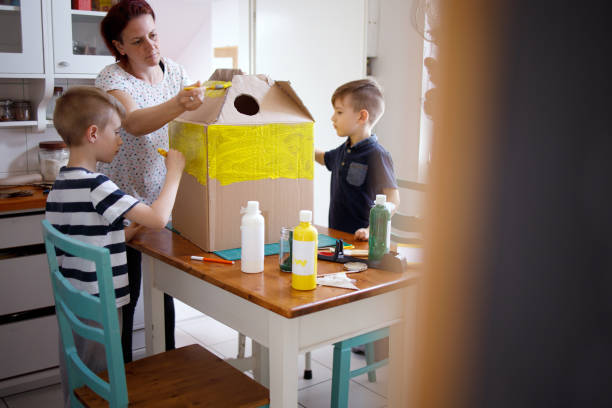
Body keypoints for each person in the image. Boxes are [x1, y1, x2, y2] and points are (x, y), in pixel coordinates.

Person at [46, 86, 185, 407]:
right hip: (100, 303)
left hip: (74, 302)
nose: (121, 140)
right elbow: (158, 217)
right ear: (93, 133)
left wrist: (127, 230)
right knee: (101, 379)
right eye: (117, 132)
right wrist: (174, 173)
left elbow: (88, 240)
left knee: (79, 373)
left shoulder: (62, 183)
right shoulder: (97, 185)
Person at [96, 0, 205, 362]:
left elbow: (194, 122)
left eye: (154, 35)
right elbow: (135, 122)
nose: (151, 47)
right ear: (119, 46)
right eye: (138, 41)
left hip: (165, 203)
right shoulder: (111, 78)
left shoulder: (174, 71)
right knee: (124, 298)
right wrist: (180, 103)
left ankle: (167, 365)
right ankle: (122, 377)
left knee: (163, 293)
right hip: (124, 206)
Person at [315, 79, 400, 242]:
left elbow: (393, 200)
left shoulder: (377, 155)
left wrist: (371, 229)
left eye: (339, 112)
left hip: (362, 241)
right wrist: (302, 144)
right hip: (338, 236)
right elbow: (323, 158)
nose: (333, 118)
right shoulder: (344, 150)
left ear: (362, 116)